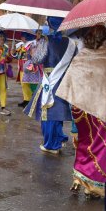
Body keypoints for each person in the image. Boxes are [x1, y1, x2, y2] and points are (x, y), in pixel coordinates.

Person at [57, 25, 106, 198]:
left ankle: (81, 177)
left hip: (83, 111)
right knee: (104, 147)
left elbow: (72, 83)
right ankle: (97, 186)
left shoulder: (82, 57)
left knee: (86, 145)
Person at [25, 17, 78, 155]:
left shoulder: (46, 40)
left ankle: (51, 144)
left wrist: (33, 53)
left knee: (48, 113)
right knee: (58, 112)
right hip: (64, 80)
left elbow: (38, 59)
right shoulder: (71, 43)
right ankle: (58, 139)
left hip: (50, 80)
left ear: (50, 24)